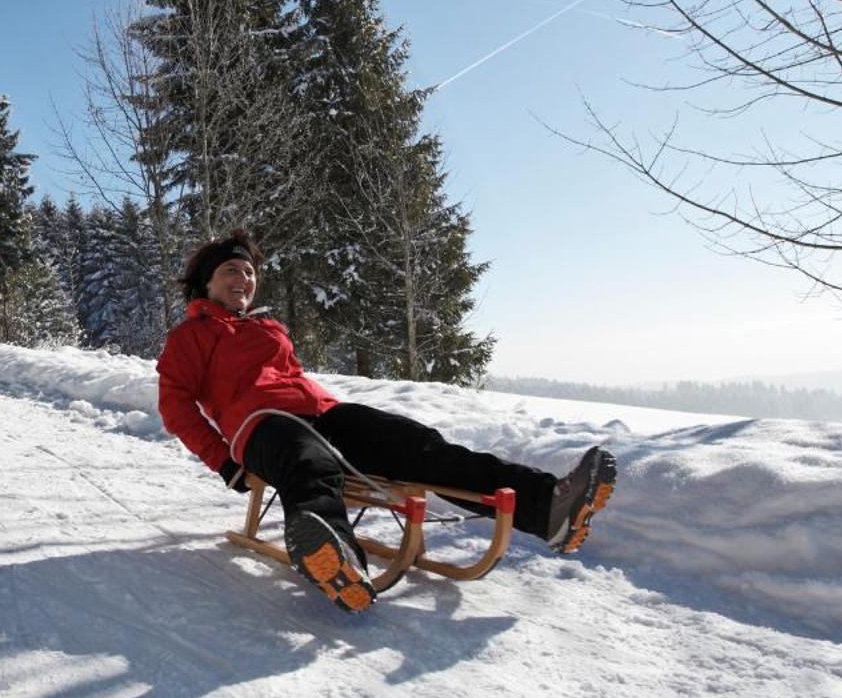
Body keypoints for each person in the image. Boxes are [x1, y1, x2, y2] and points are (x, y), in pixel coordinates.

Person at [157, 232, 617, 614]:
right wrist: (224, 462)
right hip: (261, 426)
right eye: (231, 271)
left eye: (250, 272)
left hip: (322, 411)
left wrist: (321, 409)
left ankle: (549, 506)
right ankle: (336, 557)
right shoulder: (191, 336)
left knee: (416, 446)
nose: (244, 278)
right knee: (310, 463)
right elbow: (176, 406)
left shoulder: (268, 328)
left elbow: (291, 377)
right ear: (207, 284)